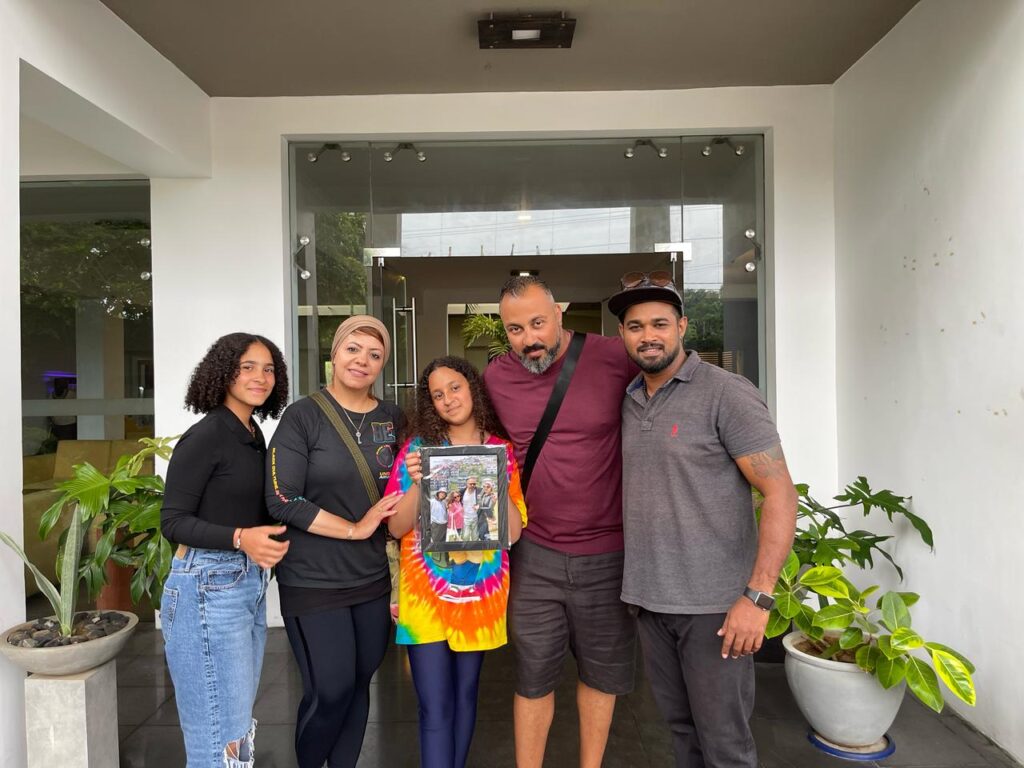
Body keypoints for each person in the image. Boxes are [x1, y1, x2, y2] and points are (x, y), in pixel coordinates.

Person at [610, 273, 798, 768]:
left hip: (715, 608)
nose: (648, 336)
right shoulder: (629, 398)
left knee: (724, 744)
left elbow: (780, 493)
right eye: (635, 326)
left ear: (682, 326)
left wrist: (758, 597)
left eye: (659, 323)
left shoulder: (726, 393)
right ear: (623, 335)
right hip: (651, 600)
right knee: (681, 731)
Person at [483, 275, 639, 768]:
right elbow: (475, 438)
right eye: (515, 329)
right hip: (533, 553)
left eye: (537, 323)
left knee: (600, 676)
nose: (529, 338)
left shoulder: (614, 356)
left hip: (608, 552)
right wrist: (423, 459)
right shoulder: (496, 377)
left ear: (559, 313)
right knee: (532, 678)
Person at [265, 316, 405, 768]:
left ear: (383, 364)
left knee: (359, 685)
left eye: (374, 354)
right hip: (313, 579)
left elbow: (405, 492)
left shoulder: (393, 419)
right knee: (330, 690)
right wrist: (355, 528)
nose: (362, 361)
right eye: (353, 349)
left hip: (371, 577)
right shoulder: (303, 416)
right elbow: (282, 498)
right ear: (335, 353)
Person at [385, 356, 527, 768]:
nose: (448, 399)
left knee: (465, 697)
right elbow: (395, 527)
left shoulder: (501, 450)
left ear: (473, 389)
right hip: (424, 599)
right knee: (434, 705)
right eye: (437, 395)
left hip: (479, 598)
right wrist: (418, 481)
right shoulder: (417, 451)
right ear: (430, 405)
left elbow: (513, 533)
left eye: (454, 388)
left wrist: (495, 475)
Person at [160, 332, 291, 768]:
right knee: (219, 739)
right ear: (223, 373)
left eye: (268, 369)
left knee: (234, 730)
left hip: (242, 584)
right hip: (206, 587)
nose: (261, 377)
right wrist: (240, 538)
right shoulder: (208, 435)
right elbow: (173, 521)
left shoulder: (251, 433)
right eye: (247, 367)